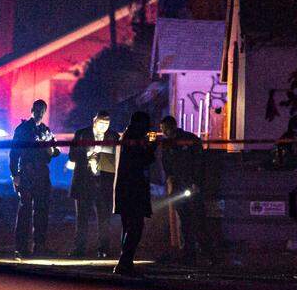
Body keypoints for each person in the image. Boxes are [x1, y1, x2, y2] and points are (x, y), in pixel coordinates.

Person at [159, 115, 214, 265]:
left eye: (164, 129)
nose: (163, 132)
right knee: (185, 221)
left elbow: (199, 163)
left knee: (198, 221)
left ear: (171, 127)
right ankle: (190, 254)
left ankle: (207, 253)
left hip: (191, 186)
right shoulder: (169, 143)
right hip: (179, 187)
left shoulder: (189, 140)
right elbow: (167, 164)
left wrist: (196, 182)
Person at [9, 99, 60, 258]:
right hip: (27, 172)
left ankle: (39, 246)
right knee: (25, 210)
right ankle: (22, 247)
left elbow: (55, 150)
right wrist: (15, 175)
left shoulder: (45, 130)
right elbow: (14, 153)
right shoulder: (23, 129)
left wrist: (51, 150)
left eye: (42, 110)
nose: (39, 113)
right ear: (32, 110)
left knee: (42, 210)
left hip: (41, 173)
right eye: (37, 110)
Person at [69, 111, 119, 258]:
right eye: (101, 123)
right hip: (84, 182)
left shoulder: (113, 136)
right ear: (94, 121)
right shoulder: (81, 134)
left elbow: (116, 159)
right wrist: (88, 156)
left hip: (103, 183)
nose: (104, 126)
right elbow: (72, 155)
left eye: (107, 124)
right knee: (82, 218)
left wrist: (101, 158)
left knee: (104, 218)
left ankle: (103, 249)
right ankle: (80, 248)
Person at [113, 111, 157, 275]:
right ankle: (124, 262)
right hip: (133, 190)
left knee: (128, 226)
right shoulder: (133, 139)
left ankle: (125, 262)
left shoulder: (126, 136)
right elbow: (142, 160)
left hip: (126, 190)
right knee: (135, 226)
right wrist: (151, 148)